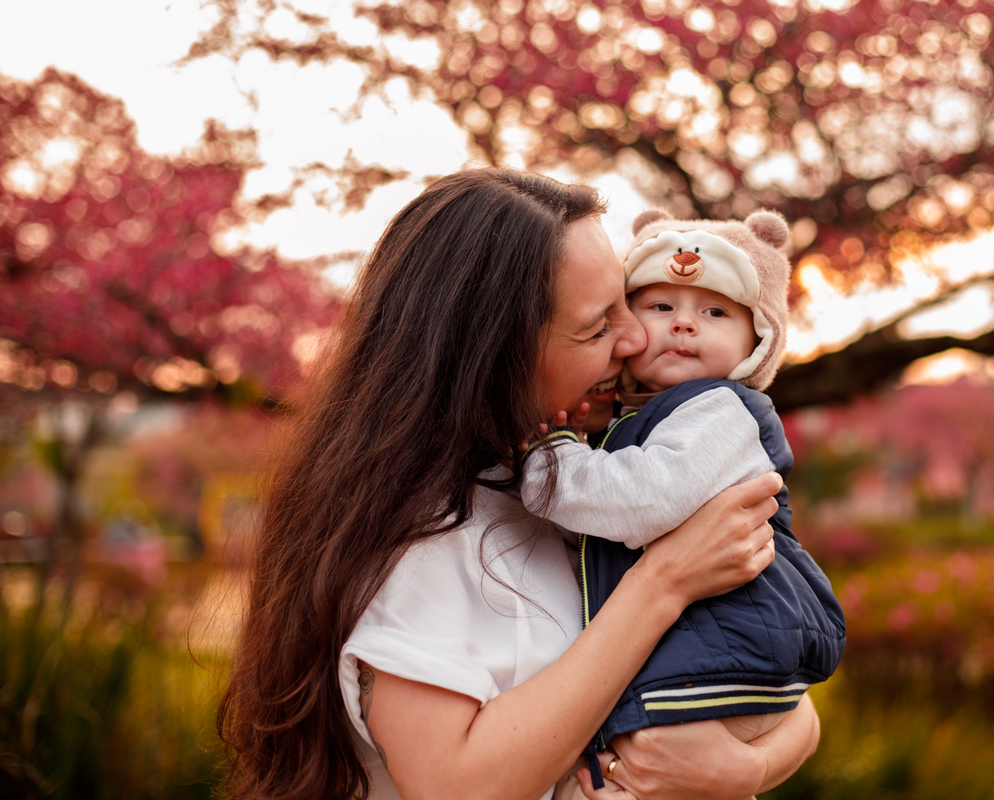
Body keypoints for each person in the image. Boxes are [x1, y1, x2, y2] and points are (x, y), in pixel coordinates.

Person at [216, 168, 820, 800]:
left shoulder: (579, 486)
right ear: (496, 355)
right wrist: (664, 583)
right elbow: (452, 786)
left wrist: (746, 770)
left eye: (628, 302)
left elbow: (781, 693)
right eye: (597, 325)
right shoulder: (425, 536)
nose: (640, 335)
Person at [522, 211, 845, 800]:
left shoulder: (720, 410)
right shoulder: (645, 420)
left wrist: (551, 461)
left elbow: (643, 500)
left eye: (715, 311)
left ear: (760, 340)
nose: (684, 327)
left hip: (714, 673)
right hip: (708, 665)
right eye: (660, 307)